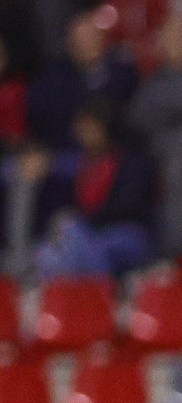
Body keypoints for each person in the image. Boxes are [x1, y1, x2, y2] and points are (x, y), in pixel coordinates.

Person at [127, 13, 182, 259]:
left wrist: (161, 112)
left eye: (178, 37)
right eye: (167, 38)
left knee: (176, 168)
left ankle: (175, 251)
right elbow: (137, 116)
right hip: (159, 147)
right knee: (130, 168)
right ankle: (136, 248)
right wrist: (169, 112)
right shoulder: (154, 79)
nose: (172, 43)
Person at [31, 98, 154, 277]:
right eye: (81, 129)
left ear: (104, 128)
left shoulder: (131, 162)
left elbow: (127, 206)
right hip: (89, 232)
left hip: (127, 232)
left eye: (90, 128)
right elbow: (54, 166)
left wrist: (83, 221)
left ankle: (96, 295)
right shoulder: (82, 162)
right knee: (46, 252)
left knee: (78, 239)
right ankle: (68, 299)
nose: (84, 134)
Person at [28, 10, 135, 152]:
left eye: (92, 37)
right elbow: (43, 119)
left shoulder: (122, 74)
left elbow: (132, 115)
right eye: (80, 40)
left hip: (114, 150)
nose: (88, 44)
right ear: (71, 45)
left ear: (102, 39)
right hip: (68, 151)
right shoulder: (54, 79)